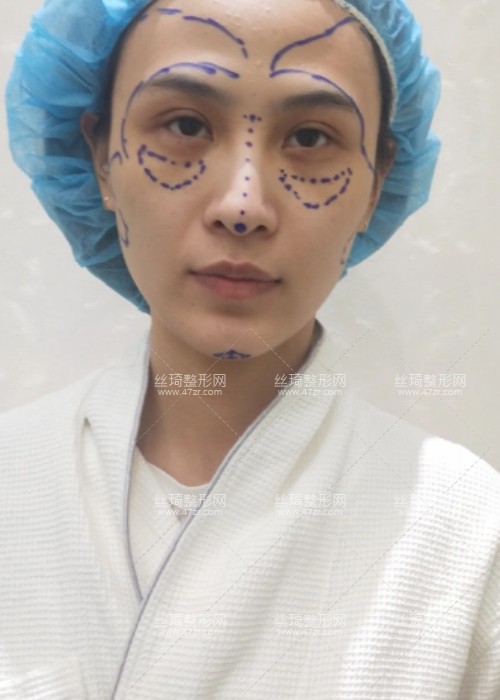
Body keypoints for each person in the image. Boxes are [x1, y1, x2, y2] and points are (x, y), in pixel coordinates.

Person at [2, 0, 499, 698]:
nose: (242, 205)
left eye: (311, 137)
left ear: (377, 182)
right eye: (185, 125)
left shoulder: (466, 531)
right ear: (99, 157)